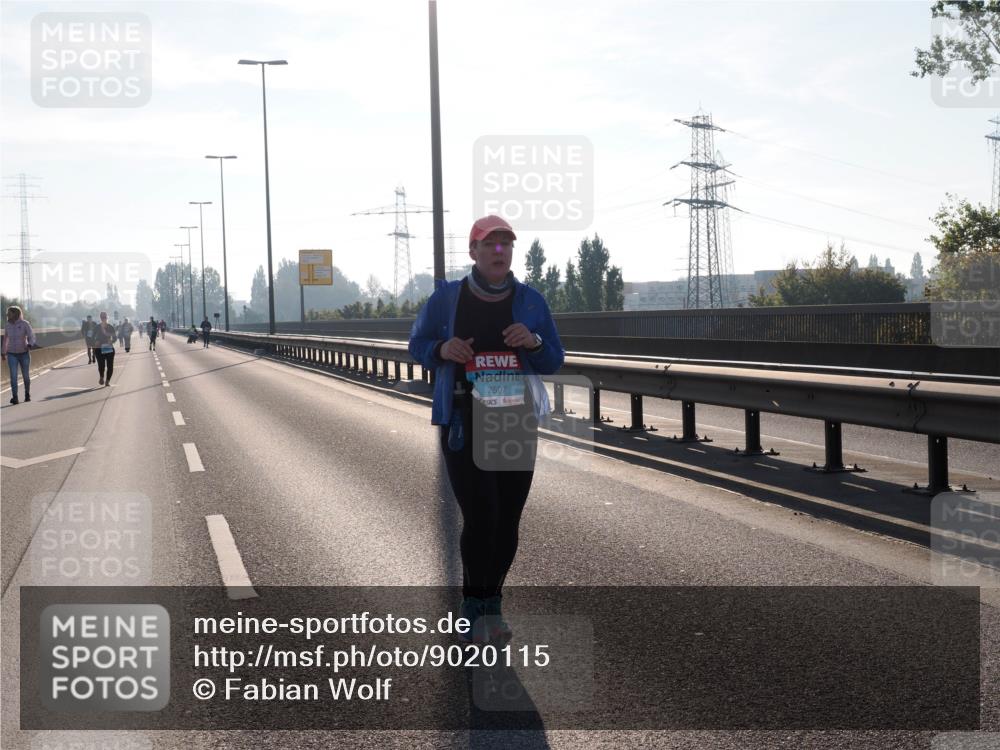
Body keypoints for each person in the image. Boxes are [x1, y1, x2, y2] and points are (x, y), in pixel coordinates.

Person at [408, 215, 564, 645]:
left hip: (513, 422)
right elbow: (416, 344)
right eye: (489, 244)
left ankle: (491, 603)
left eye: (506, 244)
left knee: (508, 521)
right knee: (483, 518)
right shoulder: (447, 300)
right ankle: (472, 604)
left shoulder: (531, 301)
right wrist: (442, 348)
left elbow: (553, 358)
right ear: (473, 252)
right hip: (463, 420)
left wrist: (532, 342)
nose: (499, 251)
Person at [4, 305, 37, 404]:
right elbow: (5, 339)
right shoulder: (7, 325)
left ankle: (27, 393)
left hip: (24, 353)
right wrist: (3, 352)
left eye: (9, 313)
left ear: (15, 313)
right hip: (11, 354)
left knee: (25, 376)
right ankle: (15, 397)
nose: (7, 314)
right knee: (13, 376)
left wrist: (30, 345)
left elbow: (31, 336)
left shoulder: (24, 324)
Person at [92, 312, 117, 387]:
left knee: (110, 366)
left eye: (105, 317)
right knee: (101, 365)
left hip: (108, 348)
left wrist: (111, 341)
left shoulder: (110, 327)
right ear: (100, 318)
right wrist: (95, 342)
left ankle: (107, 381)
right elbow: (91, 338)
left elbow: (115, 338)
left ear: (107, 317)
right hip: (99, 348)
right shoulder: (96, 327)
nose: (103, 319)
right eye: (102, 317)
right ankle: (101, 377)